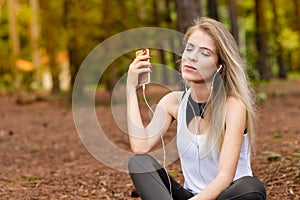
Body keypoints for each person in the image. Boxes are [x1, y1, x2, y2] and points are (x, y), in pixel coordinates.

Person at [126, 17, 266, 200]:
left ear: (220, 65)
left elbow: (225, 177)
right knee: (139, 162)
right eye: (189, 48)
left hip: (225, 196)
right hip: (190, 195)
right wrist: (130, 88)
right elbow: (140, 146)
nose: (192, 57)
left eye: (205, 53)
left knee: (251, 187)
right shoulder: (173, 102)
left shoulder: (233, 105)